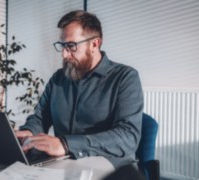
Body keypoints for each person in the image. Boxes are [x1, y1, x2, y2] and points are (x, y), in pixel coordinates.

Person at [16, 10, 143, 169]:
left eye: (71, 46)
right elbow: (40, 118)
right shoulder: (58, 78)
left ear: (94, 44)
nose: (64, 54)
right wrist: (29, 132)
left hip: (112, 167)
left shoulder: (125, 77)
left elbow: (127, 138)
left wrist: (66, 144)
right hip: (65, 165)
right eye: (62, 45)